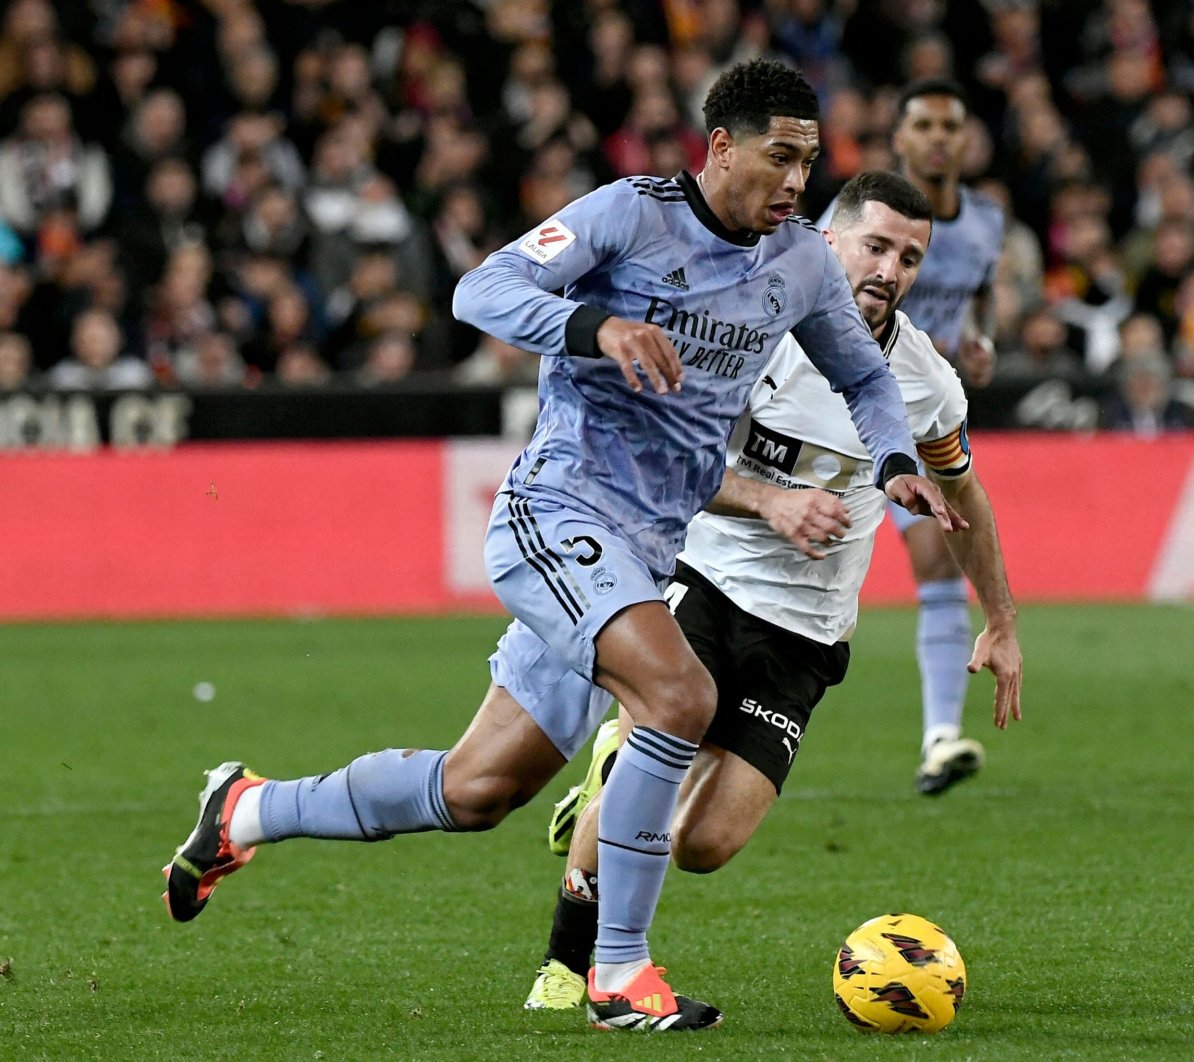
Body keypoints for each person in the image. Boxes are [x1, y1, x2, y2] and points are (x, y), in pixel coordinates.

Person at [159, 59, 961, 1035]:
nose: (796, 183)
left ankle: (244, 809)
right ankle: (617, 972)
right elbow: (481, 291)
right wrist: (595, 325)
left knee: (478, 788)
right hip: (561, 509)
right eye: (779, 158)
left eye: (808, 161)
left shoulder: (795, 263)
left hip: (647, 544)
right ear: (720, 148)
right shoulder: (630, 215)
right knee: (678, 695)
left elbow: (868, 383)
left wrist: (888, 464)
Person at [525, 170, 1023, 1011]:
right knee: (645, 765)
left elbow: (963, 492)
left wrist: (1002, 620)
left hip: (808, 632)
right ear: (828, 241)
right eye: (875, 245)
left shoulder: (925, 381)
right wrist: (769, 501)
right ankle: (569, 969)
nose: (890, 269)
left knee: (706, 846)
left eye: (910, 257)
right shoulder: (747, 333)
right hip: (706, 581)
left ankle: (616, 773)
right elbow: (670, 461)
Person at [819, 79, 1007, 795]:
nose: (936, 137)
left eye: (948, 125)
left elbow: (982, 294)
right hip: (835, 415)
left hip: (925, 412)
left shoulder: (985, 222)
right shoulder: (861, 216)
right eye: (922, 124)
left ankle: (940, 737)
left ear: (965, 140)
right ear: (898, 138)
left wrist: (980, 339)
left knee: (937, 553)